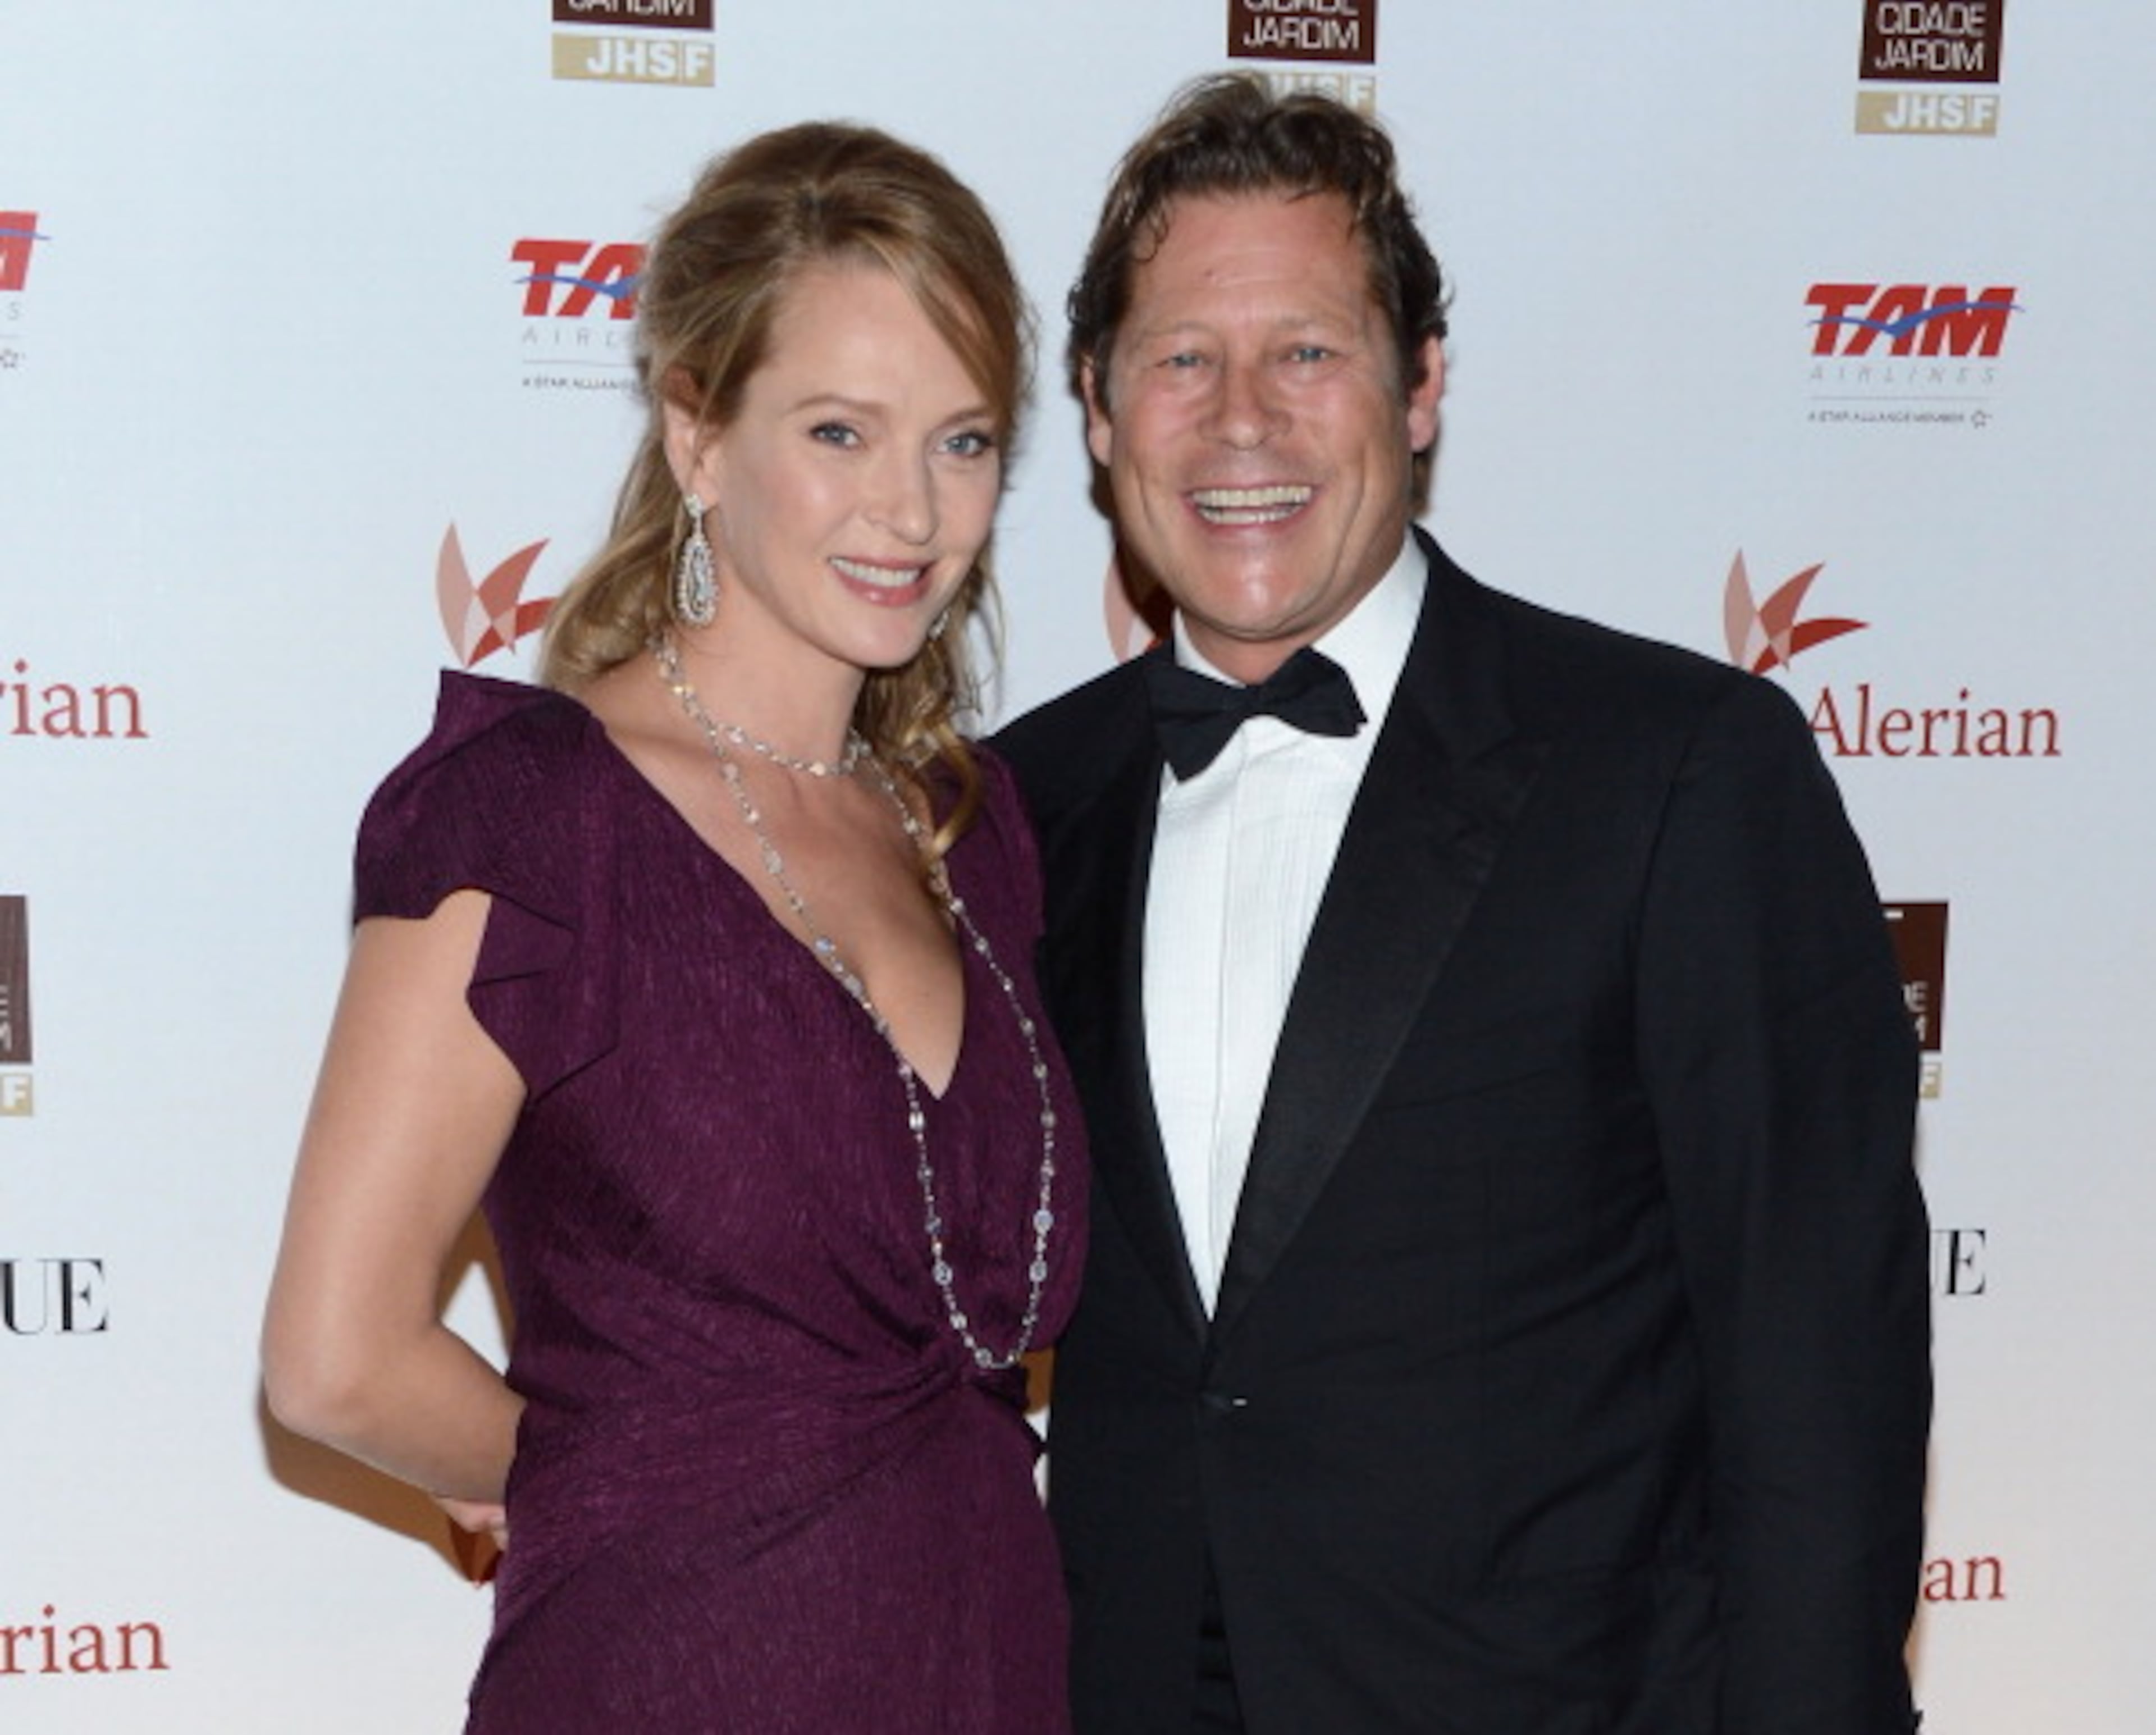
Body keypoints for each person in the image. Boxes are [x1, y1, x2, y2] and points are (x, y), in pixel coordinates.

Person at [995, 75, 1930, 1734]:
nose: (1242, 425)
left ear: (1421, 387)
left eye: (1309, 351)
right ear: (1094, 405)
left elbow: (1818, 1375)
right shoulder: (1014, 805)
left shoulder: (1677, 771)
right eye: (1181, 360)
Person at [262, 121, 1085, 1733]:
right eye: (840, 431)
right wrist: (609, 1468)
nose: (910, 510)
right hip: (676, 1675)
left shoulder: (973, 835)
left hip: (987, 1666)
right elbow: (334, 1354)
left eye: (964, 440)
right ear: (699, 435)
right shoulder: (532, 808)